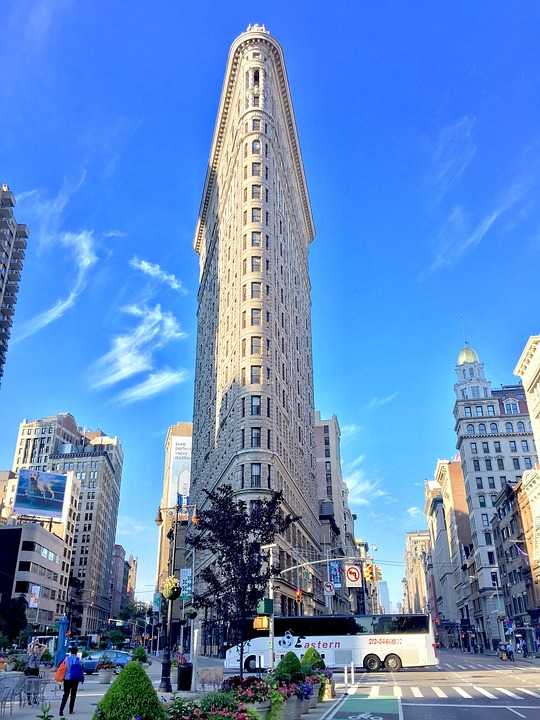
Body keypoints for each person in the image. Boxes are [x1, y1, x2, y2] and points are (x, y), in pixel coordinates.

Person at [59, 646, 84, 716]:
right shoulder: (78, 659)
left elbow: (62, 668)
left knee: (65, 694)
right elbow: (81, 669)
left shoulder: (66, 659)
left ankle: (61, 710)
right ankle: (71, 710)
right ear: (76, 652)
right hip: (75, 679)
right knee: (73, 695)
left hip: (67, 679)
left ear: (70, 652)